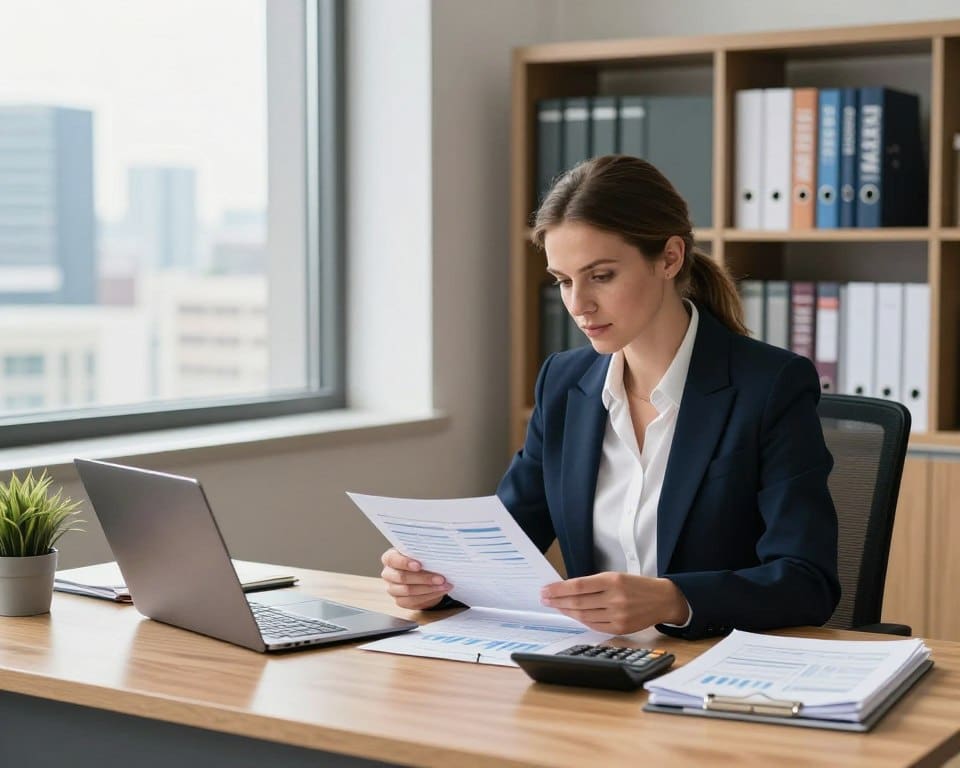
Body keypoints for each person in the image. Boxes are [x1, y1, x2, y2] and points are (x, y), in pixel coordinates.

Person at [379, 154, 840, 640]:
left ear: (669, 258)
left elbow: (807, 582)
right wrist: (432, 580)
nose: (578, 304)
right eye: (563, 281)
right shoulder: (564, 383)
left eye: (601, 276)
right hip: (597, 668)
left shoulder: (770, 386)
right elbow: (504, 546)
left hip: (709, 668)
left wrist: (674, 598)